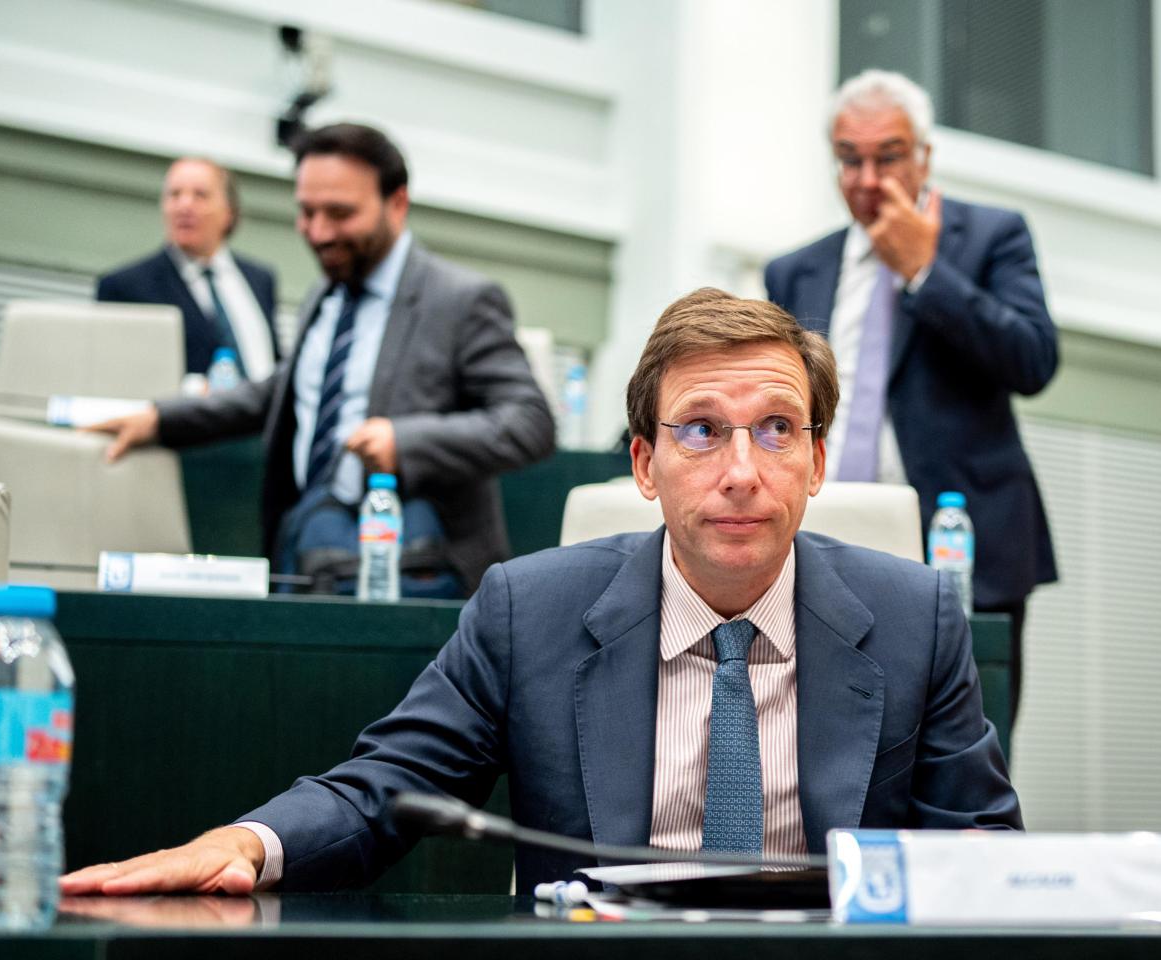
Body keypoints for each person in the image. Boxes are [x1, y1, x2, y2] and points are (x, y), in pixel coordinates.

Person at [60, 288, 1023, 896]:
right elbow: (386, 789)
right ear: (643, 465)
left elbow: (984, 861)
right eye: (700, 430)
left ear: (816, 462)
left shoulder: (917, 618)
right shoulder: (530, 612)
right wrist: (251, 841)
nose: (741, 470)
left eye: (777, 429)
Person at [90, 124, 555, 597]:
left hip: (412, 576)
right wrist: (161, 419)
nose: (318, 232)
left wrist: (405, 441)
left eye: (340, 213)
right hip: (307, 559)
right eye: (307, 212)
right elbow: (279, 393)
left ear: (397, 203)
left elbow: (530, 422)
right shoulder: (324, 295)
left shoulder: (460, 299)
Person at [764, 69, 1058, 735]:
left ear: (924, 157)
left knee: (969, 752)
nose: (868, 179)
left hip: (957, 544)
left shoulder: (991, 237)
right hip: (827, 541)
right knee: (833, 744)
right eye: (850, 160)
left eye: (889, 157)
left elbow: (1033, 360)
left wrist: (926, 271)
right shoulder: (795, 271)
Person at [97, 157, 282, 380]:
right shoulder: (125, 287)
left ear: (229, 212)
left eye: (200, 195)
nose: (184, 206)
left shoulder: (260, 279)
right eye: (174, 195)